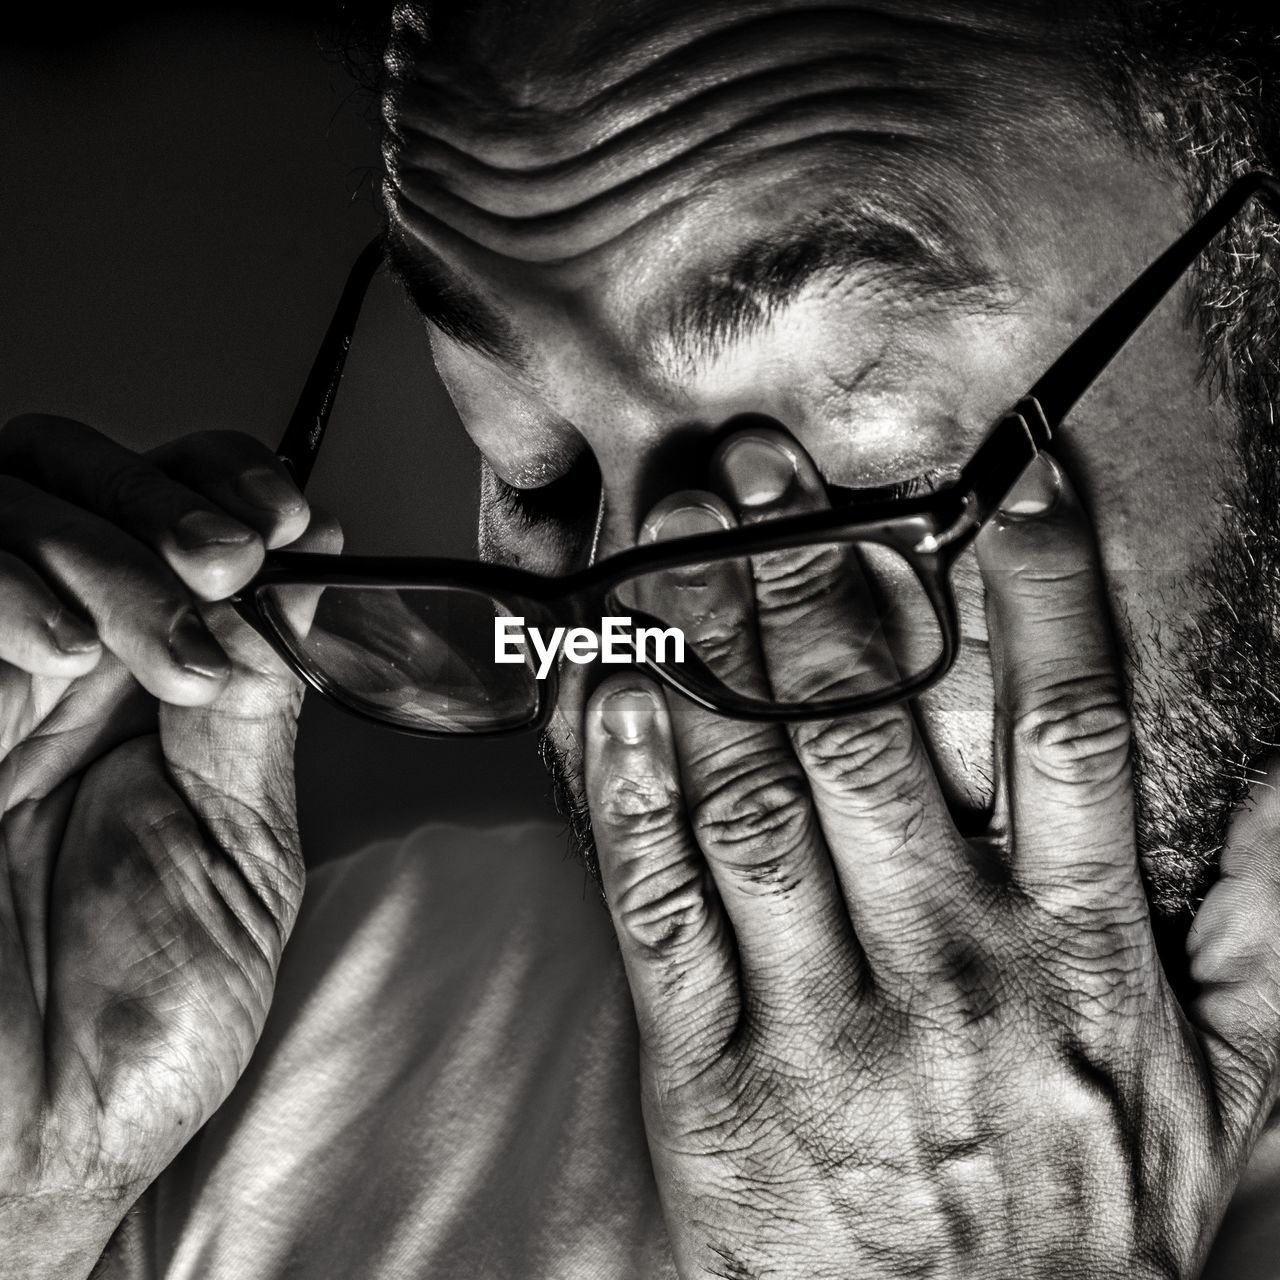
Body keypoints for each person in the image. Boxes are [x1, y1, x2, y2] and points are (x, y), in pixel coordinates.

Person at [4, 0, 1280, 1275]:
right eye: (536, 474)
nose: (621, 653)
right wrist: (37, 1203)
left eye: (839, 487)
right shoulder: (287, 1035)